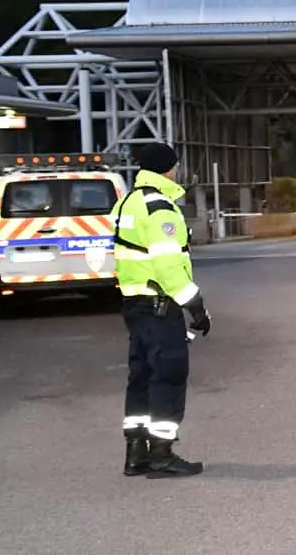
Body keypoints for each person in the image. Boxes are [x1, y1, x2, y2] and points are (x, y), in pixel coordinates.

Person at [112, 143, 212, 477]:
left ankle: (136, 453)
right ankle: (162, 455)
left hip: (135, 303)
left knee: (140, 377)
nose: (177, 171)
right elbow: (169, 266)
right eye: (175, 166)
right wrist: (196, 306)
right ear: (167, 169)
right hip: (159, 304)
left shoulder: (129, 202)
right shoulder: (160, 208)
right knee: (167, 376)